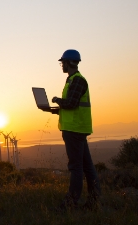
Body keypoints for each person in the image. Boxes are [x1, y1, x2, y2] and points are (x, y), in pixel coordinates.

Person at [49, 49, 101, 211]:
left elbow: (71, 103)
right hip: (76, 129)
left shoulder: (77, 80)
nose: (61, 65)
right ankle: (94, 202)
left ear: (69, 62)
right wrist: (55, 109)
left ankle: (70, 203)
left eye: (62, 62)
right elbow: (72, 106)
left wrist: (57, 100)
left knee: (76, 168)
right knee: (87, 167)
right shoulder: (72, 80)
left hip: (75, 130)